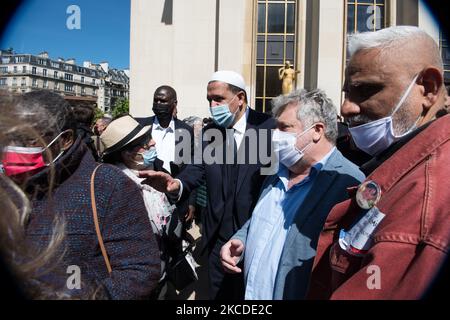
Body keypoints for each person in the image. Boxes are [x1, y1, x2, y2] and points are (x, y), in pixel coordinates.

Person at [307, 26, 450, 299]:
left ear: (428, 88)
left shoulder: (431, 195)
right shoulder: (403, 166)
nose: (346, 107)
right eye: (348, 92)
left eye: (366, 90)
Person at [0, 90, 160, 299]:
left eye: (28, 140)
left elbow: (141, 269)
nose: (14, 149)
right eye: (9, 140)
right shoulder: (7, 186)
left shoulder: (108, 185)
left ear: (64, 139)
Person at [139, 70, 276, 299]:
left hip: (253, 237)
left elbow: (273, 183)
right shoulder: (211, 131)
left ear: (240, 98)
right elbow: (197, 169)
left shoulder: (267, 129)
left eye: (218, 99)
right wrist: (177, 184)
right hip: (215, 239)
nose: (212, 105)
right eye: (209, 99)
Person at [219, 89, 365, 300]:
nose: (274, 135)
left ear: (316, 131)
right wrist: (241, 238)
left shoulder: (350, 183)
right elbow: (265, 218)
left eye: (284, 128)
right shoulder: (276, 172)